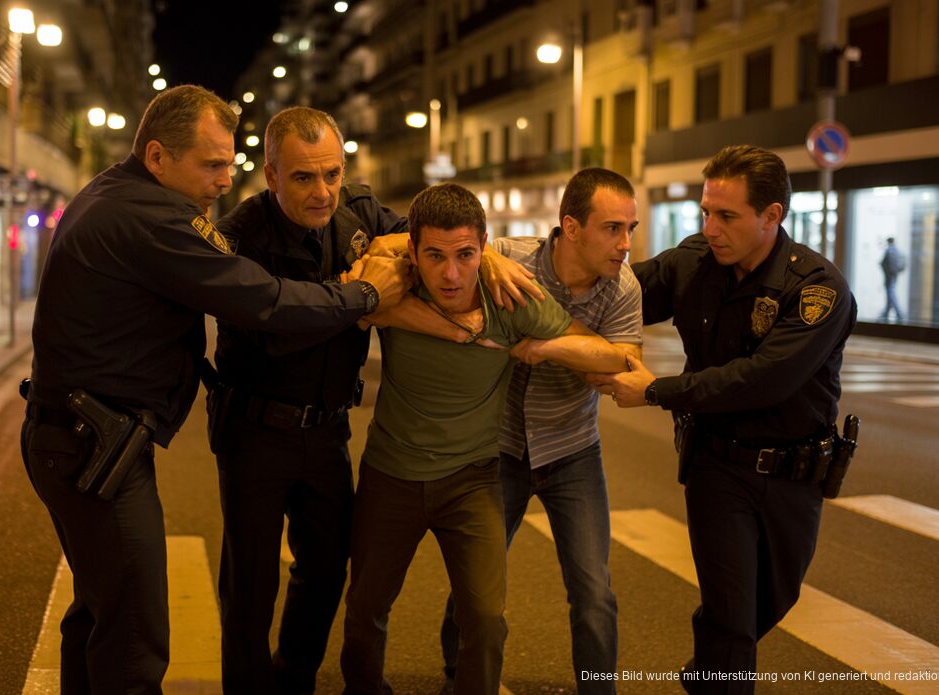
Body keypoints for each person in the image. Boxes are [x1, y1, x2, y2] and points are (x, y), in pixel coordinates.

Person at [22, 86, 410, 695]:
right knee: (134, 632)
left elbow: (426, 235)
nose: (226, 179)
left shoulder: (118, 194)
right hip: (102, 438)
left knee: (102, 609)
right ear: (156, 156)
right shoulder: (154, 219)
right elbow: (263, 303)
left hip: (92, 433)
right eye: (212, 165)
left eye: (229, 163)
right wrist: (365, 296)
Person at [211, 107, 540, 695]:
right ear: (271, 175)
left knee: (326, 567)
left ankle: (294, 680)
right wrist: (359, 295)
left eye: (332, 174)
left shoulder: (358, 212)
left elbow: (429, 238)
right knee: (251, 582)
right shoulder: (239, 235)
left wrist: (484, 253)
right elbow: (272, 328)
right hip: (256, 430)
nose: (323, 191)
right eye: (305, 178)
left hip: (327, 430)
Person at [340, 183, 631, 695]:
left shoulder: (509, 296)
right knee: (366, 609)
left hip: (473, 481)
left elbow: (616, 359)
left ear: (484, 249)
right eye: (435, 256)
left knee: (485, 617)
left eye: (466, 255)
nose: (451, 274)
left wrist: (541, 347)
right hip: (391, 476)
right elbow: (355, 292)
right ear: (413, 252)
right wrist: (458, 330)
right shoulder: (399, 285)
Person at [603, 145, 856, 694]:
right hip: (718, 466)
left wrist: (656, 390)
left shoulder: (815, 289)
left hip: (794, 476)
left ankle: (708, 673)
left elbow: (764, 377)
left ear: (772, 217)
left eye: (726, 216)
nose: (710, 228)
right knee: (732, 618)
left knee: (772, 601)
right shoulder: (694, 261)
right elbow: (619, 294)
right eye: (705, 213)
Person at [439, 168, 644, 694]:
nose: (626, 244)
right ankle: (455, 678)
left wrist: (547, 344)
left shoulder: (623, 286)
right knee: (476, 586)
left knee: (593, 590)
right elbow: (439, 251)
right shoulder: (509, 257)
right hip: (499, 446)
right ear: (571, 227)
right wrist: (482, 257)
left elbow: (620, 368)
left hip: (573, 450)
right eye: (613, 229)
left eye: (631, 229)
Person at [879, 236, 905, 322]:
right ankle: (886, 312)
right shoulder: (897, 251)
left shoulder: (889, 251)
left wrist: (887, 272)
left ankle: (899, 313)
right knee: (890, 293)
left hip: (889, 276)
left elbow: (883, 263)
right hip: (894, 275)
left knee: (891, 293)